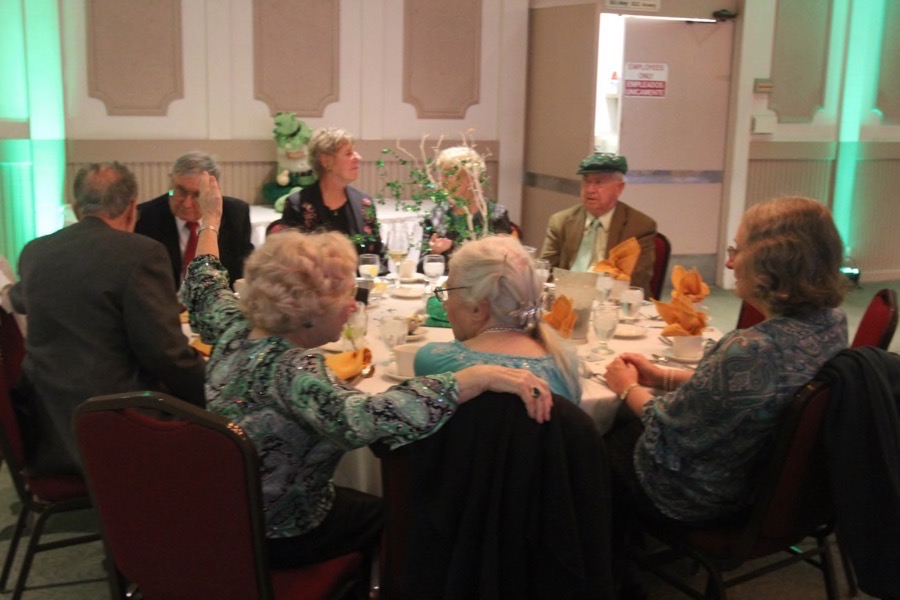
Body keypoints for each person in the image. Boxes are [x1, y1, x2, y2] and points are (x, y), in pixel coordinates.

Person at [181, 172, 552, 569]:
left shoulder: (234, 325)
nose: (354, 305)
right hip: (278, 532)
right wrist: (472, 377)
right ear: (307, 314)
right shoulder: (295, 371)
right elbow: (367, 419)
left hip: (216, 514)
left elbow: (204, 282)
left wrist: (210, 221)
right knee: (404, 516)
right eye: (346, 295)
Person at [604, 196, 848, 526]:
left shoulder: (751, 349)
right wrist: (661, 377)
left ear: (769, 265)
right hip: (782, 490)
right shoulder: (831, 323)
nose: (730, 264)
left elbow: (669, 425)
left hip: (706, 495)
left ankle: (601, 560)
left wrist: (626, 387)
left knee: (585, 443)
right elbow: (745, 394)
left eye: (737, 251)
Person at [9, 162, 206, 476]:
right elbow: (166, 356)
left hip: (47, 431)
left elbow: (21, 299)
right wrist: (217, 391)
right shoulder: (140, 254)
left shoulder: (35, 252)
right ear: (131, 208)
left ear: (76, 207)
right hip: (117, 428)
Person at [414, 235, 581, 403]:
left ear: (478, 309)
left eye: (449, 292)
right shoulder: (565, 361)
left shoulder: (433, 361)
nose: (445, 305)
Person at [539, 152, 656, 293]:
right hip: (565, 300)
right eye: (586, 181)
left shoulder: (639, 227)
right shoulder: (561, 221)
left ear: (619, 188)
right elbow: (545, 270)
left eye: (599, 182)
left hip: (611, 303)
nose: (590, 190)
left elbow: (636, 279)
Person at [134, 151, 253, 286]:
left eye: (198, 195)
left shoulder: (236, 214)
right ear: (171, 182)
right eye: (180, 191)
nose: (187, 203)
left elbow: (242, 271)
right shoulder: (145, 217)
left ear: (214, 192)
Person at [280, 127, 384, 261]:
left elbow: (377, 256)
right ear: (326, 161)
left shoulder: (365, 203)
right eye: (348, 153)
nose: (358, 157)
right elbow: (292, 262)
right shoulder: (297, 205)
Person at [420, 146, 512, 269]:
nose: (442, 181)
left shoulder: (495, 215)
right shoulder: (435, 218)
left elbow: (507, 265)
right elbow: (420, 270)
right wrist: (434, 253)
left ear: (470, 179)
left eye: (448, 175)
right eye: (441, 175)